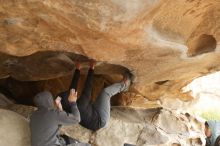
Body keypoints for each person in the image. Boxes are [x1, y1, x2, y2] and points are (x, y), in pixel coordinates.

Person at [58, 61, 133, 131]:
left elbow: (72, 89)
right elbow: (88, 86)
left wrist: (77, 69)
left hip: (92, 112)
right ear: (70, 100)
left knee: (94, 98)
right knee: (105, 93)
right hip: (100, 120)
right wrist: (91, 67)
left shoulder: (68, 109)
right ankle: (124, 86)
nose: (71, 94)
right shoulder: (81, 104)